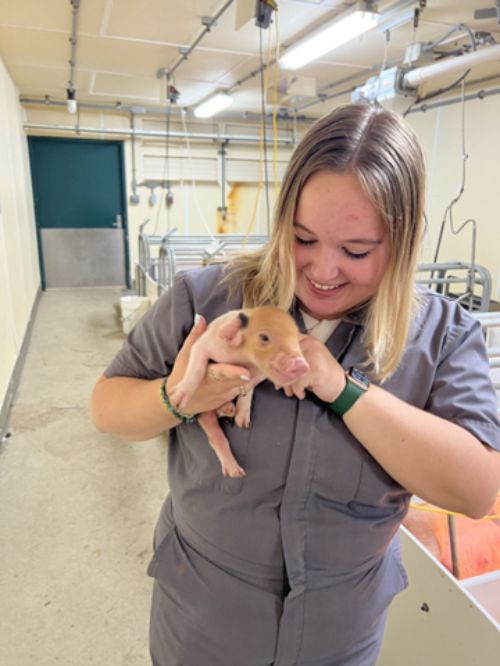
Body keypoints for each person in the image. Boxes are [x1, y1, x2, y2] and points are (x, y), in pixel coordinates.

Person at [90, 103, 500, 666]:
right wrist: (180, 397)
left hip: (339, 629)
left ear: (401, 244)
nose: (324, 271)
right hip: (203, 618)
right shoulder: (209, 299)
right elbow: (107, 405)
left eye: (356, 251)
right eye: (303, 239)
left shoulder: (442, 335)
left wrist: (343, 389)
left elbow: (476, 490)